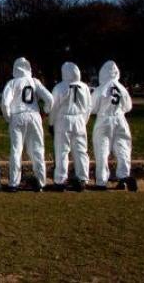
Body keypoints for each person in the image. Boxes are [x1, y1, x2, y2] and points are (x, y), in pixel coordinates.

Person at [1, 57, 54, 192]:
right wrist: (45, 111)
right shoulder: (35, 82)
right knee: (37, 150)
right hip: (34, 115)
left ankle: (14, 183)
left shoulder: (12, 83)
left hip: (17, 116)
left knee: (16, 150)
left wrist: (8, 118)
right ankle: (41, 182)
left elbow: (5, 103)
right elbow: (50, 98)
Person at [92, 60, 137, 191]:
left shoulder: (100, 89)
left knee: (102, 150)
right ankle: (124, 177)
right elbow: (128, 107)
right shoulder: (122, 89)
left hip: (104, 120)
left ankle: (101, 182)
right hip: (120, 119)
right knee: (123, 149)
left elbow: (92, 107)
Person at [49, 62, 92, 191]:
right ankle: (83, 178)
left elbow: (53, 107)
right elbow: (88, 107)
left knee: (62, 151)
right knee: (81, 150)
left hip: (63, 120)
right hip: (79, 119)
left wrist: (51, 123)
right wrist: (84, 121)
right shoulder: (84, 87)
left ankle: (60, 180)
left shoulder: (59, 87)